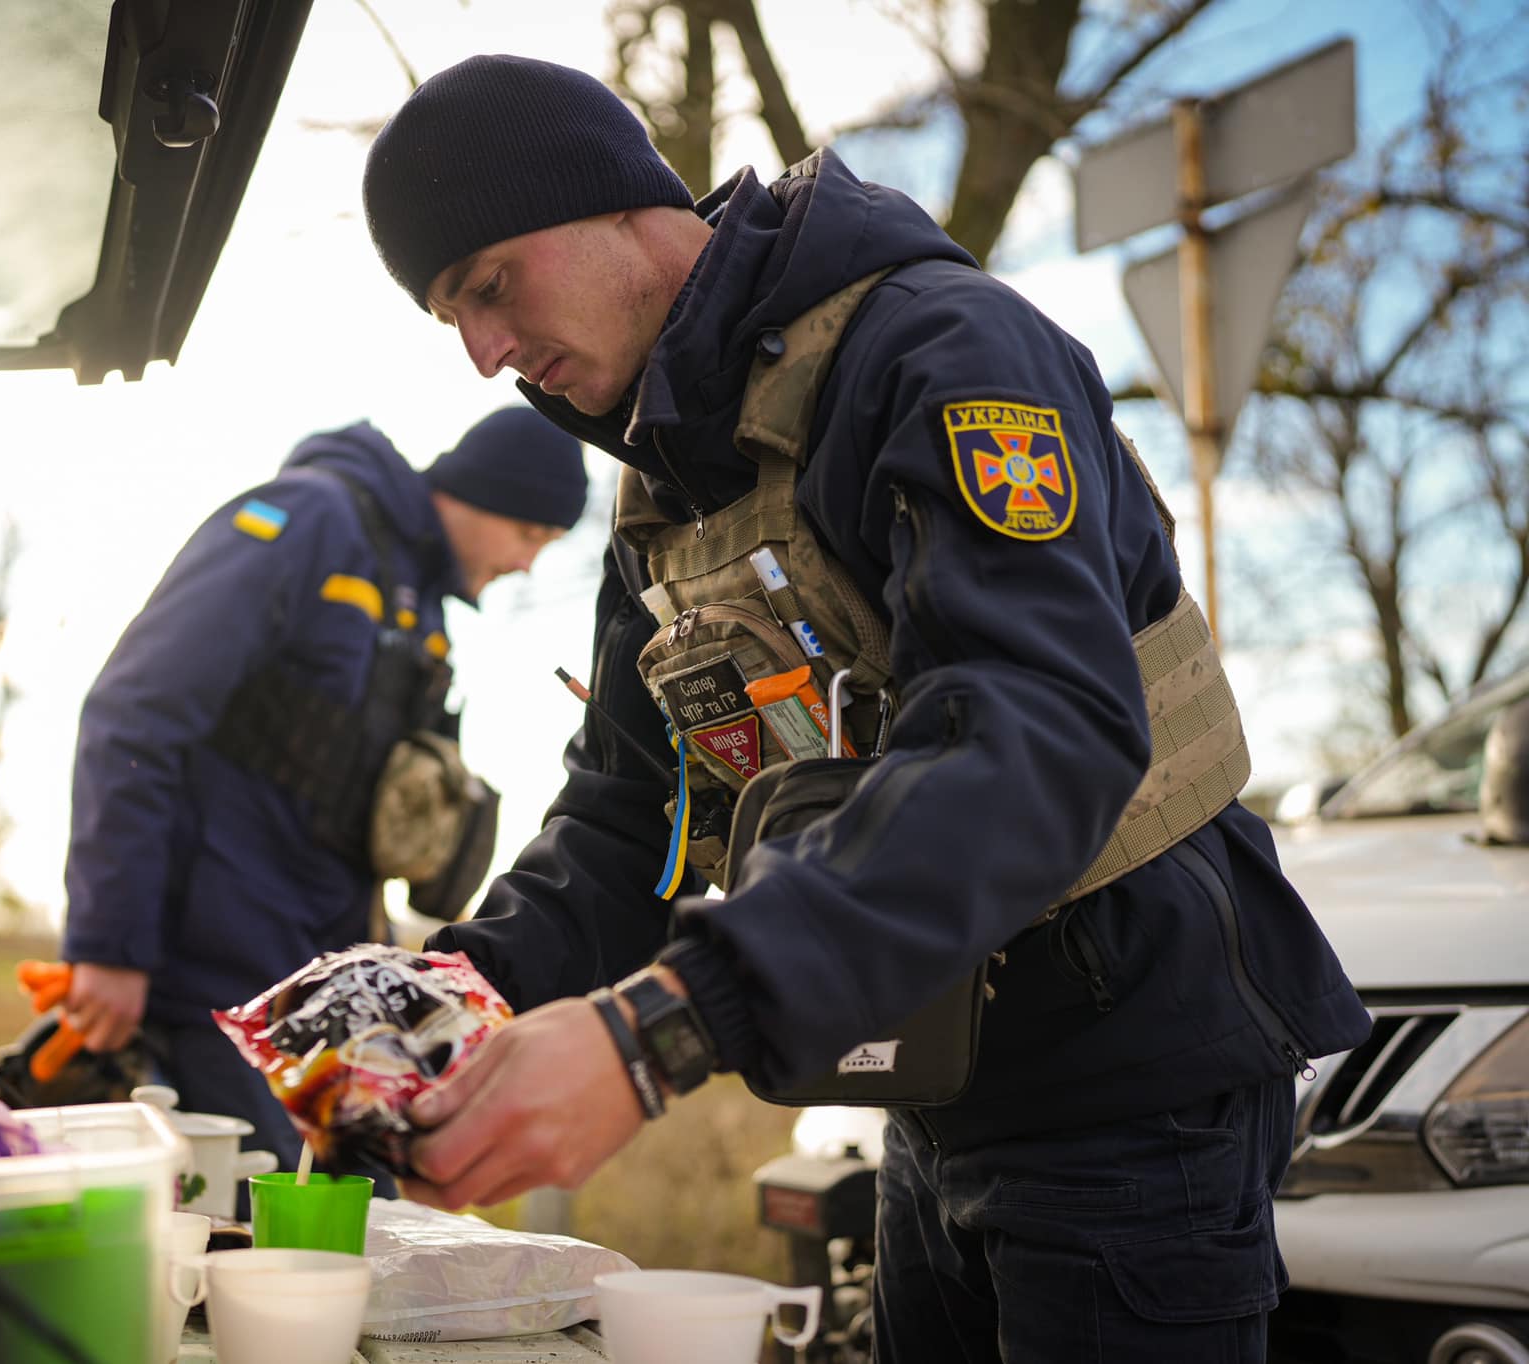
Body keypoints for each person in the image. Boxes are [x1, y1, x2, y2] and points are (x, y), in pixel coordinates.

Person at [360, 54, 1371, 1361]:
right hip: (930, 1092)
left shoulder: (940, 351)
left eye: (488, 286)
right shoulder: (662, 496)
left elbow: (1034, 738)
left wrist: (658, 1032)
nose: (486, 354)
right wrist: (441, 1000)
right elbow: (628, 821)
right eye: (453, 318)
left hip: (1136, 1091)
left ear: (613, 197)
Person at [57, 409, 587, 1200]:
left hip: (311, 1004)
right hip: (208, 983)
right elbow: (135, 713)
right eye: (532, 538)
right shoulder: (307, 522)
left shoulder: (419, 610)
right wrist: (109, 944)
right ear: (490, 495)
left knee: (360, 1227)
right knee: (253, 1239)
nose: (525, 567)